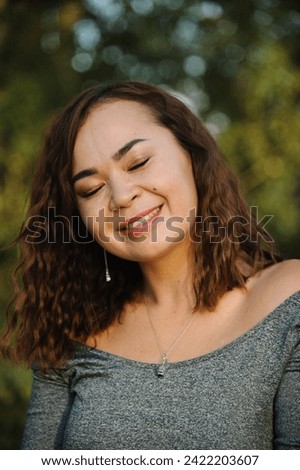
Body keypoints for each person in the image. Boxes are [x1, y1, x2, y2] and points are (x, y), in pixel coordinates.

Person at [1, 81, 299, 450]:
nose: (122, 197)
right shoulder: (73, 331)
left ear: (191, 153)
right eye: (91, 189)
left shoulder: (289, 301)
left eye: (138, 163)